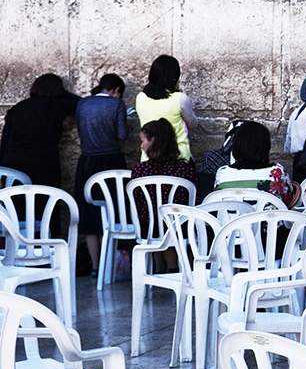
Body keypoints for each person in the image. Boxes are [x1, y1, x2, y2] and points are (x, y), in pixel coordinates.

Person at [74, 74, 132, 272]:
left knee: (89, 215)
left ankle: (96, 267)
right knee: (115, 211)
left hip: (87, 162)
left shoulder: (82, 104)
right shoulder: (117, 105)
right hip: (112, 161)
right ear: (116, 90)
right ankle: (113, 266)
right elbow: (122, 134)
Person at [0, 74, 79, 188]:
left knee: (15, 201)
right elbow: (80, 103)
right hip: (43, 163)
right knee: (44, 200)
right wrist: (63, 92)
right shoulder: (56, 106)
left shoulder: (18, 107)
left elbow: (6, 138)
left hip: (14, 162)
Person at [213, 121, 298, 207]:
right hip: (269, 220)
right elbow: (288, 200)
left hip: (231, 220)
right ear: (265, 146)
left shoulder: (222, 173)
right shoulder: (277, 171)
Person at [135, 54, 194, 161]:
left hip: (148, 157)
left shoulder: (140, 97)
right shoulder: (180, 98)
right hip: (178, 157)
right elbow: (193, 123)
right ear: (175, 78)